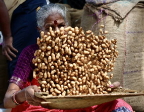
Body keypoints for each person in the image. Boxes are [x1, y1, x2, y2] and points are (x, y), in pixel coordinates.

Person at [3, 3, 133, 112]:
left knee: (118, 105)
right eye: (50, 28)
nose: (57, 32)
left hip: (78, 106)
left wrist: (106, 90)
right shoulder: (31, 53)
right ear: (40, 30)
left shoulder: (80, 49)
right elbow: (7, 100)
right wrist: (23, 94)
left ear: (68, 26)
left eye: (61, 26)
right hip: (44, 108)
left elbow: (92, 88)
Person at [1, 0, 47, 78]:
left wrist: (7, 36)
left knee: (17, 62)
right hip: (15, 11)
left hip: (26, 6)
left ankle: (16, 89)